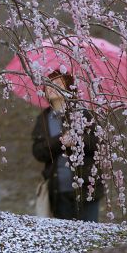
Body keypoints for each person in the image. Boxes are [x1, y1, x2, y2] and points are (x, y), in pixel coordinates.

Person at [31, 70, 105, 222]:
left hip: (86, 189)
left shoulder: (83, 113)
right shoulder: (44, 119)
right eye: (48, 84)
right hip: (58, 191)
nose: (51, 87)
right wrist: (60, 141)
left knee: (89, 236)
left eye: (57, 83)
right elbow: (38, 151)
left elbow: (98, 142)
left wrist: (78, 140)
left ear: (68, 87)